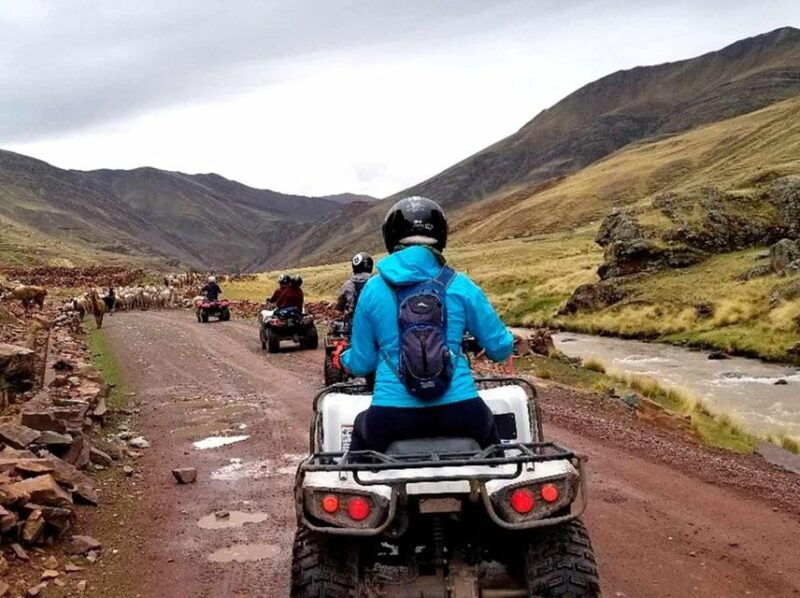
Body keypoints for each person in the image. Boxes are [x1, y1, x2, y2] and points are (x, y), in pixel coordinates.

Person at [339, 196, 514, 453]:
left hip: (391, 418)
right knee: (496, 461)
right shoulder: (460, 284)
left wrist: (343, 358)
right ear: (441, 234)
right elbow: (500, 348)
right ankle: (495, 488)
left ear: (391, 236)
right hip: (462, 413)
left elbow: (361, 363)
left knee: (359, 450)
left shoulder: (373, 290)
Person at [335, 252, 374, 321]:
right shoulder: (377, 281)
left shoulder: (347, 284)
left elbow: (339, 309)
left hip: (354, 325)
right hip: (375, 323)